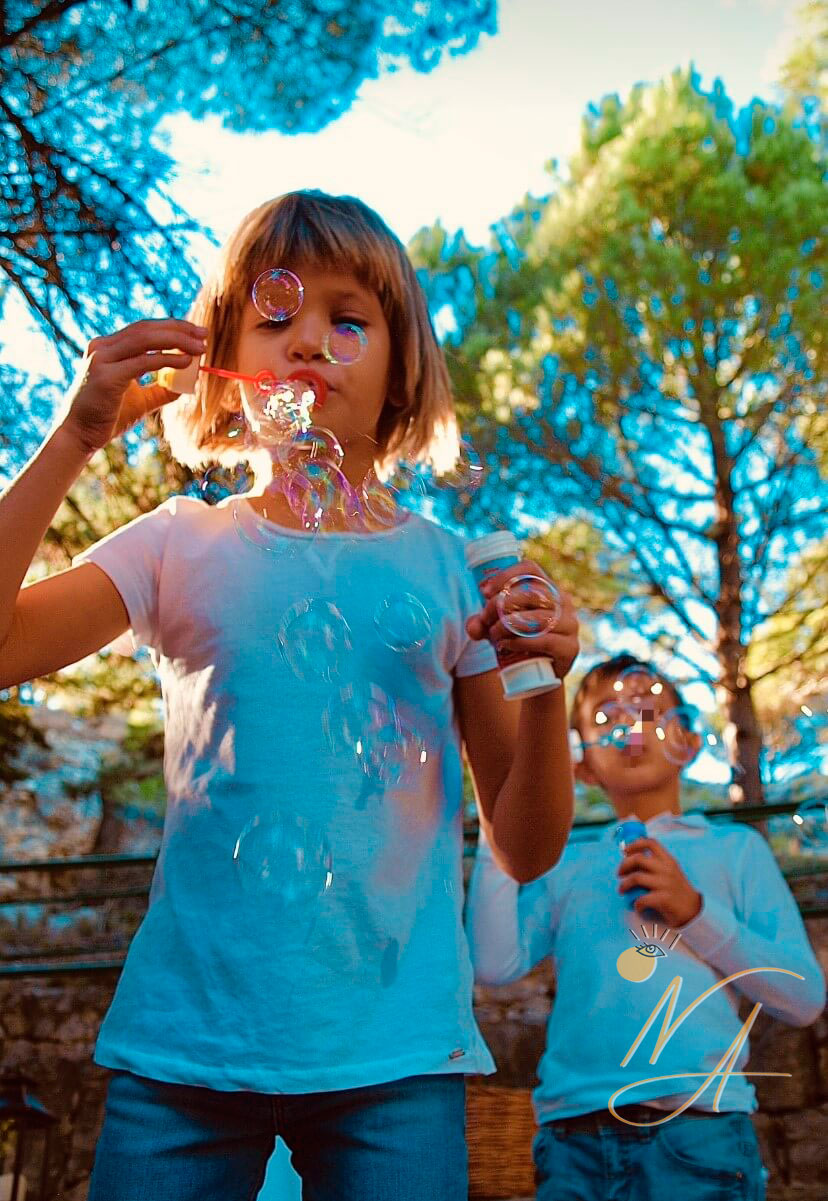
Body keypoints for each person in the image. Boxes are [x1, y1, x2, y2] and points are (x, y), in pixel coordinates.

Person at [0, 190, 579, 1201]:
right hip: (186, 1046)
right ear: (227, 367)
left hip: (395, 1057)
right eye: (277, 317)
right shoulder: (179, 541)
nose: (309, 339)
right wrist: (77, 435)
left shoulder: (455, 571)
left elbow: (524, 847)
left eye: (347, 318)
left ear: (402, 369)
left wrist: (546, 696)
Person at [466, 653, 825, 1201]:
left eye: (651, 712)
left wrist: (695, 913)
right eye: (607, 719)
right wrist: (503, 822)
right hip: (573, 1136)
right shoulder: (567, 862)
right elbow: (494, 964)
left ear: (689, 740)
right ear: (580, 762)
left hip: (700, 1130)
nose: (632, 729)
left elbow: (803, 998)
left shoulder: (734, 848)